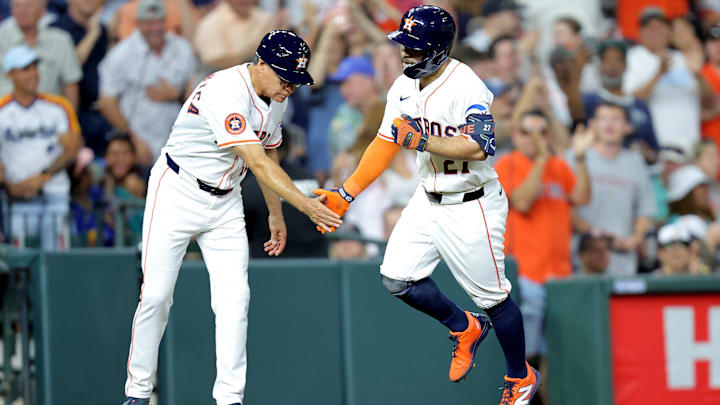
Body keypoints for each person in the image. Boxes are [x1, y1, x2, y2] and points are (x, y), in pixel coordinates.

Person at [314, 6, 540, 404]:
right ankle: (464, 327)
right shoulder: (403, 84)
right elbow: (385, 141)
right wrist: (346, 192)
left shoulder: (464, 84)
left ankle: (519, 376)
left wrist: (420, 141)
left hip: (472, 203)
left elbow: (479, 145)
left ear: (436, 50)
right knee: (396, 278)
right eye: (404, 46)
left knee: (494, 299)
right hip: (427, 197)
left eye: (413, 48)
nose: (405, 54)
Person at [121, 30, 342, 405]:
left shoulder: (276, 96)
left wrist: (276, 212)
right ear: (261, 64)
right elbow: (255, 159)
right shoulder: (226, 91)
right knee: (156, 296)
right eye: (285, 77)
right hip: (178, 188)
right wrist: (304, 204)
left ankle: (229, 399)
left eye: (295, 80)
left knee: (235, 299)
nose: (290, 87)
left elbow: (269, 155)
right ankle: (138, 393)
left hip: (226, 199)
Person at [494, 109, 592, 398]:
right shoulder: (508, 164)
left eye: (541, 132)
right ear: (515, 135)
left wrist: (582, 158)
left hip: (561, 273)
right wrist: (539, 160)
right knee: (530, 351)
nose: (534, 139)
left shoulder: (559, 166)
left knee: (560, 350)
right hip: (527, 273)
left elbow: (582, 197)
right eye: (527, 132)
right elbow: (522, 202)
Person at [0, 45, 83, 250]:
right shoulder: (2, 110)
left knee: (58, 260)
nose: (33, 73)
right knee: (21, 262)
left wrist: (43, 176)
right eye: (25, 68)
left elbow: (72, 149)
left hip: (55, 194)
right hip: (18, 199)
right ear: (10, 74)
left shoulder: (58, 106)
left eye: (34, 67)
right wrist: (8, 184)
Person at [98, 0, 197, 166]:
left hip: (179, 139)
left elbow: (196, 93)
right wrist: (132, 139)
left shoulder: (181, 48)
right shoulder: (120, 55)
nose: (155, 28)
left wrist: (177, 95)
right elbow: (106, 103)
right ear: (138, 24)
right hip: (140, 140)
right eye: (149, 23)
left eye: (159, 22)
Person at [569, 102, 656, 276]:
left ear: (628, 127)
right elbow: (565, 208)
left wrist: (636, 238)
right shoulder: (575, 157)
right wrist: (598, 236)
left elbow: (645, 210)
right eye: (603, 118)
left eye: (616, 119)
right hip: (584, 258)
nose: (609, 124)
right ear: (592, 125)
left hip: (624, 259)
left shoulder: (636, 162)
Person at [51, 0, 113, 155]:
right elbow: (69, 68)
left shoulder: (102, 30)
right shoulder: (56, 30)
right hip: (73, 113)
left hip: (101, 112)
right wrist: (92, 35)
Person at [0, 0, 82, 107]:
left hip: (50, 116)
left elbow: (71, 85)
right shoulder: (1, 38)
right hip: (5, 116)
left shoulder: (61, 41)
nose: (22, 11)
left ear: (42, 11)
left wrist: (68, 119)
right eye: (17, 6)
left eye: (28, 5)